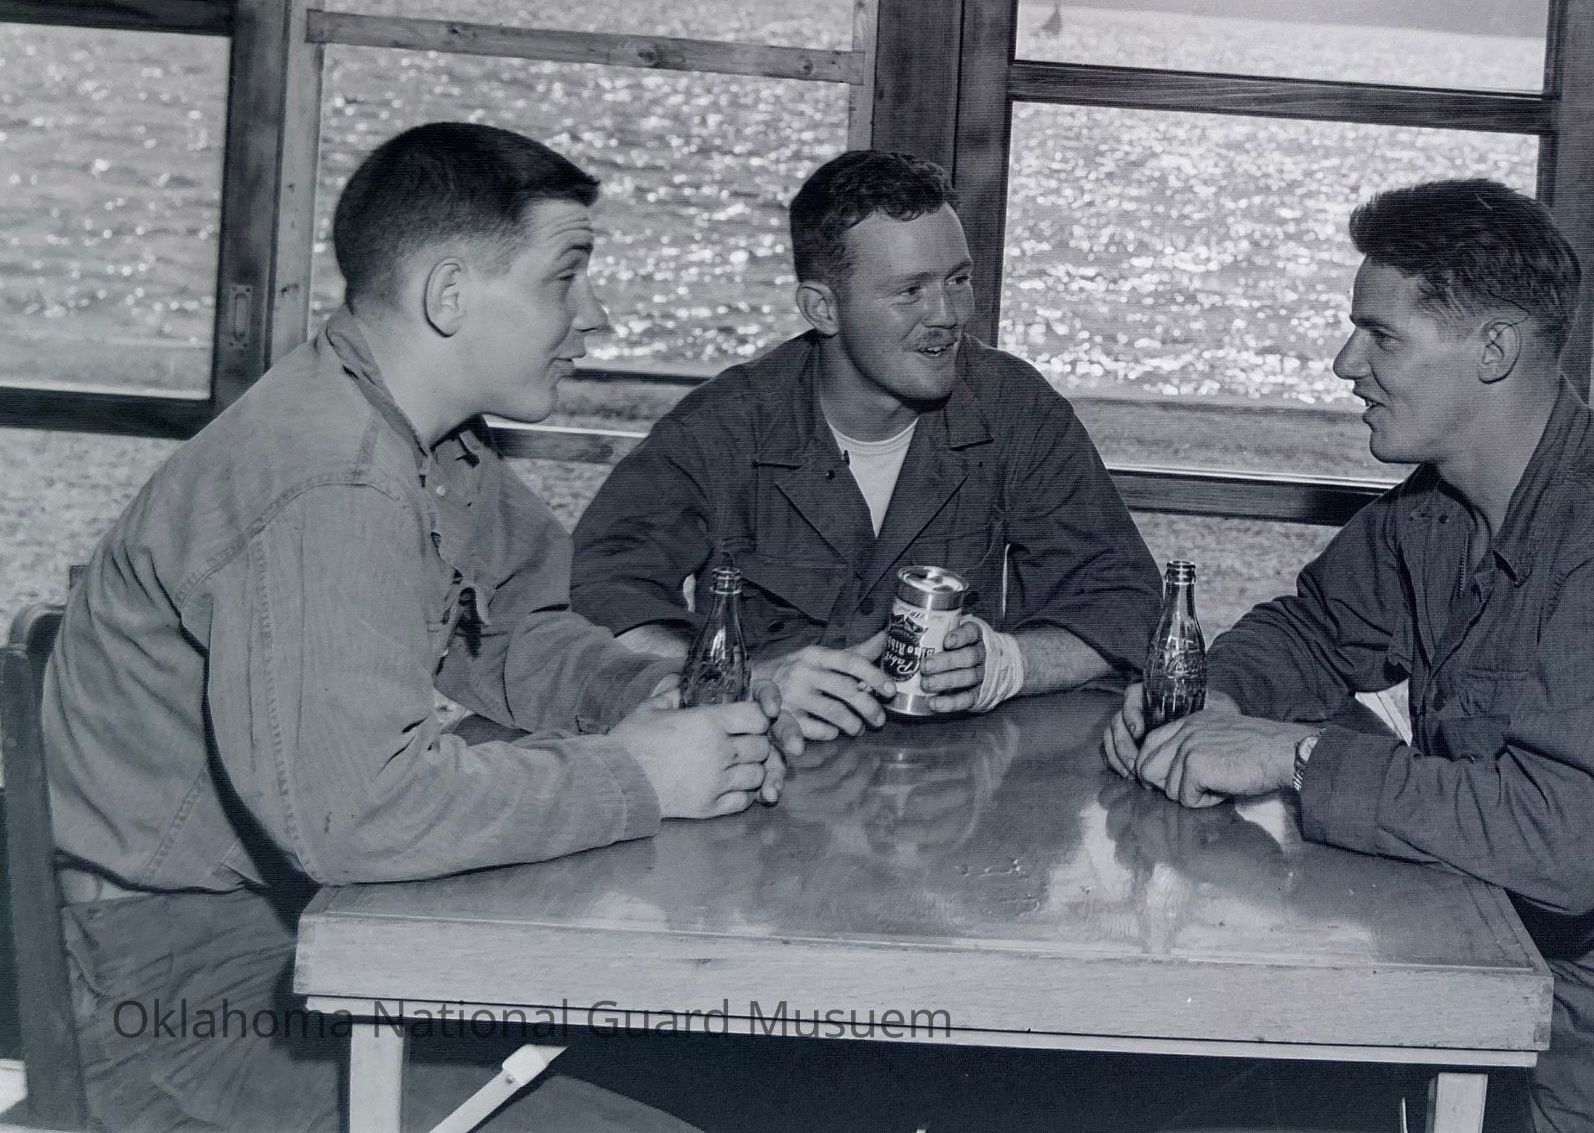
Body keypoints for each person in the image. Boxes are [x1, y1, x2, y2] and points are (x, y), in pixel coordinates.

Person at [42, 122, 780, 1133]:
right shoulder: (332, 480)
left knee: (705, 1073)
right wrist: (640, 777)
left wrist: (650, 697)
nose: (596, 315)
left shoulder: (424, 441)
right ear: (448, 295)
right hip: (175, 998)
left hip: (296, 928)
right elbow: (362, 817)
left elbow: (513, 634)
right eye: (566, 277)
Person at [1104, 178, 1594, 1133]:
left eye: (1381, 337)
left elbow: (1561, 847)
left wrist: (1296, 757)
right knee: (1183, 1057)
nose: (1345, 363)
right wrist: (1207, 702)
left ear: (1494, 351)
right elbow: (1314, 628)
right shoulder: (1446, 506)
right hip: (1476, 933)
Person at [573, 149, 1159, 751]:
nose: (948, 315)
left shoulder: (1015, 408)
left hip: (949, 773)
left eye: (958, 280)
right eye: (910, 291)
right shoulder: (723, 425)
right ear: (822, 309)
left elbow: (1129, 604)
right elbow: (591, 597)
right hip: (764, 764)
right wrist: (734, 678)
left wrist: (1012, 664)